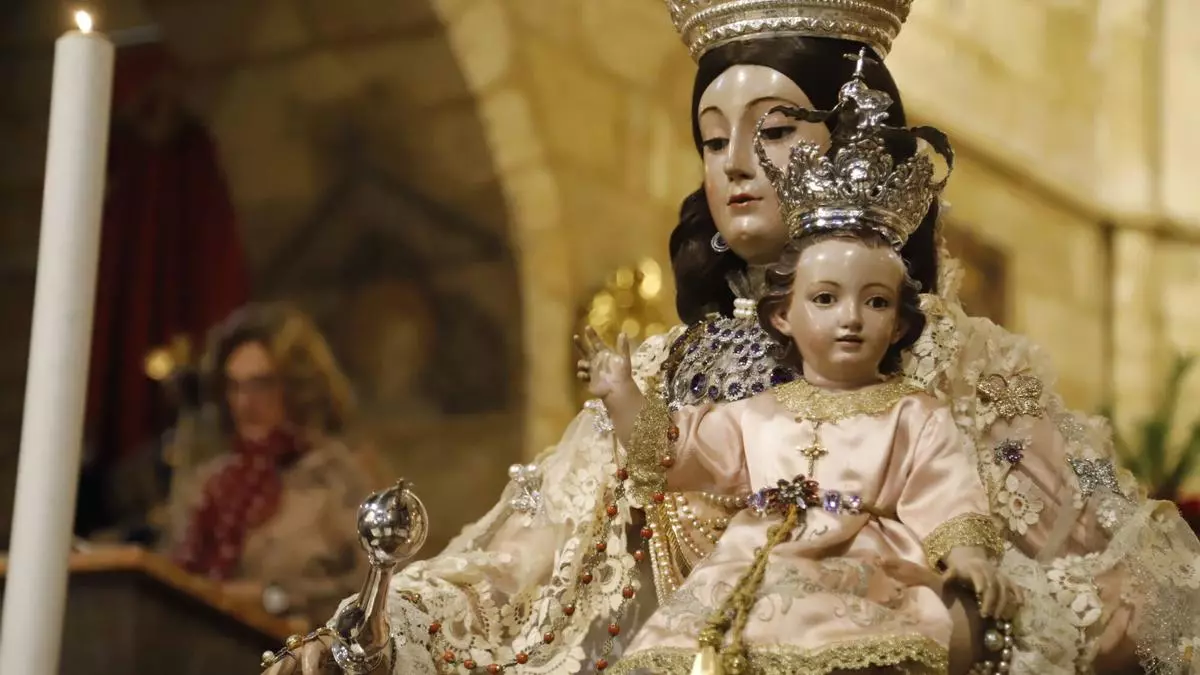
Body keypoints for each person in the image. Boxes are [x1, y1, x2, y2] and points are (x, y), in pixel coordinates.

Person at [262, 1, 1200, 673]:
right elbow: (518, 563)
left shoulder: (966, 371)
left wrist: (963, 616)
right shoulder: (670, 372)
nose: (738, 167)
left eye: (777, 128)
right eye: (713, 140)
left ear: (854, 145)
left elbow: (1140, 596)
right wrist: (382, 625)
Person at [592, 79, 1021, 673]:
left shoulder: (913, 413)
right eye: (824, 299)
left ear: (899, 325)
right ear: (782, 317)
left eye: (875, 303)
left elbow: (947, 496)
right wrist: (622, 395)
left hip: (861, 575)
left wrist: (970, 557)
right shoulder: (759, 412)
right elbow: (678, 450)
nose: (850, 319)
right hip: (748, 571)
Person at [164, 303, 376, 625]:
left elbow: (379, 589)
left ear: (296, 386)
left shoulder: (340, 477)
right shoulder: (211, 483)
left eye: (261, 384)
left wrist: (272, 598)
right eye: (234, 386)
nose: (244, 403)